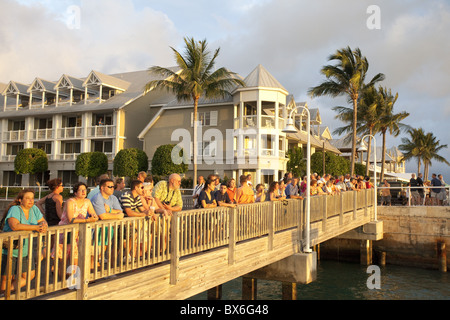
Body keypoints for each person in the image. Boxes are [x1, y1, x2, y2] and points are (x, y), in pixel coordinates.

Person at [1, 189, 48, 292]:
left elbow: (43, 221)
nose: (31, 200)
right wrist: (35, 227)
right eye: (27, 198)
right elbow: (14, 226)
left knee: (29, 275)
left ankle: (7, 293)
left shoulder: (34, 209)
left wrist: (43, 226)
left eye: (32, 198)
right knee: (7, 279)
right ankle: (5, 293)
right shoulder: (15, 209)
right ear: (20, 200)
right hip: (9, 250)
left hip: (25, 250)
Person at [54, 182, 98, 269]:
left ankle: (73, 280)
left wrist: (93, 217)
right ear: (75, 193)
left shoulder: (87, 201)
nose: (83, 192)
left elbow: (94, 214)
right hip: (66, 232)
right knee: (63, 261)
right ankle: (62, 279)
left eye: (85, 190)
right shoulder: (70, 202)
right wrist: (87, 220)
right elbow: (71, 219)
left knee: (75, 261)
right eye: (80, 190)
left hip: (78, 233)